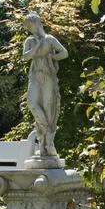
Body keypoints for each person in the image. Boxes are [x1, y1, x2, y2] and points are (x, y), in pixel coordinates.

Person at [22, 13, 68, 158]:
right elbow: (26, 56)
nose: (29, 29)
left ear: (37, 23)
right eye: (28, 27)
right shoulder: (30, 40)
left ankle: (46, 143)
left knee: (48, 106)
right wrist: (37, 46)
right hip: (35, 75)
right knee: (32, 103)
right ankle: (47, 132)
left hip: (48, 75)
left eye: (30, 25)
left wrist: (52, 57)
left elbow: (64, 53)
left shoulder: (50, 39)